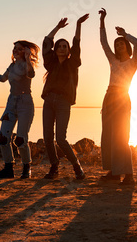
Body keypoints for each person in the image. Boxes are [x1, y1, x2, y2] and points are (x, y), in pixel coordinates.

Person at [41, 14, 88, 180]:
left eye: (64, 46)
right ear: (56, 49)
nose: (62, 48)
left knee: (60, 138)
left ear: (68, 51)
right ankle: (54, 166)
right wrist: (58, 27)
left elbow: (76, 44)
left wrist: (78, 25)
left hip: (63, 102)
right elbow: (47, 42)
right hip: (48, 101)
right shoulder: (51, 63)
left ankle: (76, 166)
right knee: (47, 137)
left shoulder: (72, 64)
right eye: (59, 46)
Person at [0, 40, 40, 179]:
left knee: (20, 140)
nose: (15, 50)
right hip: (11, 103)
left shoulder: (28, 65)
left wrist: (27, 58)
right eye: (14, 48)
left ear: (26, 51)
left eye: (19, 49)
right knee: (3, 138)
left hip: (25, 104)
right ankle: (8, 168)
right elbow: (3, 79)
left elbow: (32, 75)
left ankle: (27, 167)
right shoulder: (12, 66)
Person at [99, 7, 137, 184]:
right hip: (109, 97)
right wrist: (102, 21)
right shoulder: (112, 60)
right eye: (117, 44)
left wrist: (125, 34)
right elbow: (103, 42)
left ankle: (129, 175)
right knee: (108, 136)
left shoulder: (133, 63)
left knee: (122, 136)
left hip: (123, 98)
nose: (118, 46)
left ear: (126, 46)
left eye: (121, 43)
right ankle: (114, 172)